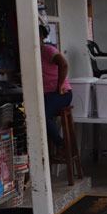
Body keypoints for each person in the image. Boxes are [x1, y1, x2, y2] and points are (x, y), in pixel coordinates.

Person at [39, 23, 72, 162]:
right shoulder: (33, 53)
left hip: (61, 94)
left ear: (41, 37)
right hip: (47, 95)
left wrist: (59, 85)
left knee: (42, 117)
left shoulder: (47, 50)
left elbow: (63, 64)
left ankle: (62, 145)